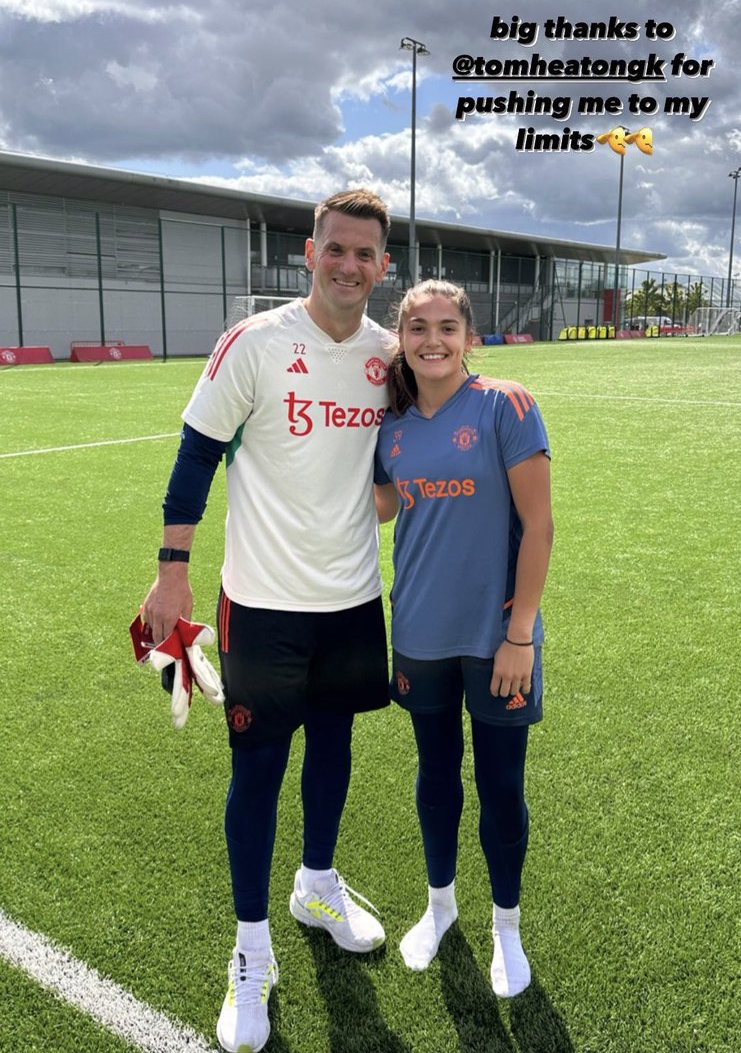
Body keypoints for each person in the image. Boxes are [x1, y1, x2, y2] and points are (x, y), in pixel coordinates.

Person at [142, 189, 394, 1053]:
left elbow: (410, 460)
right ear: (309, 251)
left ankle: (315, 887)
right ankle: (251, 951)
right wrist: (171, 575)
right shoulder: (254, 343)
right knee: (257, 771)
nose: (350, 265)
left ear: (383, 266)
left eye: (366, 253)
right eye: (337, 249)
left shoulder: (388, 355)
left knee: (335, 748)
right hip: (261, 603)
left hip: (355, 599)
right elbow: (195, 456)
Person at [373, 280, 553, 996]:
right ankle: (440, 906)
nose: (433, 340)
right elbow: (381, 507)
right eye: (418, 328)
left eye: (447, 327)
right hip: (419, 630)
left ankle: (506, 927)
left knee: (501, 785)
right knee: (435, 774)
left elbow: (538, 527)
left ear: (468, 337)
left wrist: (520, 636)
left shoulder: (506, 404)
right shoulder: (392, 428)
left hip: (497, 638)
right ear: (402, 340)